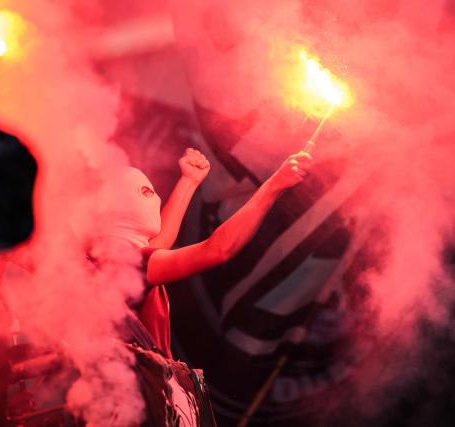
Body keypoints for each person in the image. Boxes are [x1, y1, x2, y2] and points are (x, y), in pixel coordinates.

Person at [98, 148, 311, 426]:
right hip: (139, 405)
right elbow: (218, 250)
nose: (157, 198)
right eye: (146, 193)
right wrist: (273, 186)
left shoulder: (112, 262)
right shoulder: (129, 264)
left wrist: (188, 181)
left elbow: (160, 243)